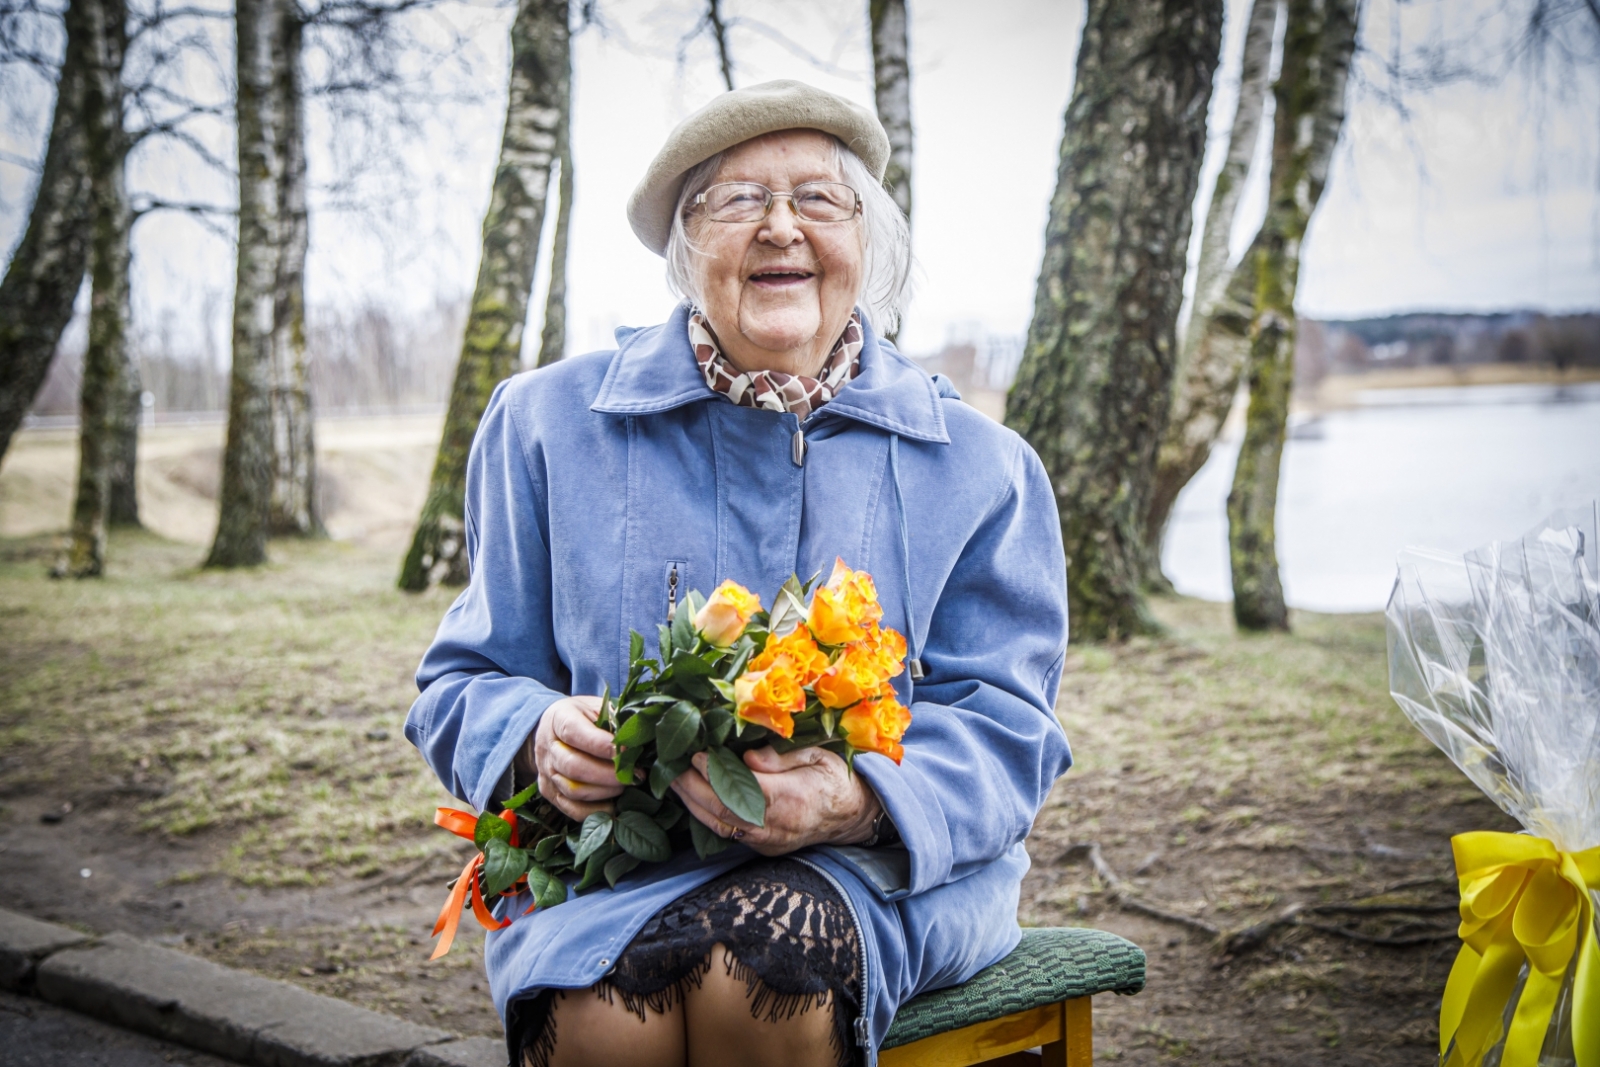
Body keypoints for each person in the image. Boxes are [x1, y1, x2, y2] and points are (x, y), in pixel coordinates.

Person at [406, 79, 1072, 1067]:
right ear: (685, 247)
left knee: (753, 979)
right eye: (736, 200)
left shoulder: (982, 465)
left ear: (866, 239)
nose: (779, 228)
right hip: (614, 867)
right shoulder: (544, 424)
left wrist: (855, 797)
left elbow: (1007, 729)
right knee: (605, 1017)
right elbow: (461, 683)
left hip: (877, 870)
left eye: (816, 198)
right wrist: (538, 735)